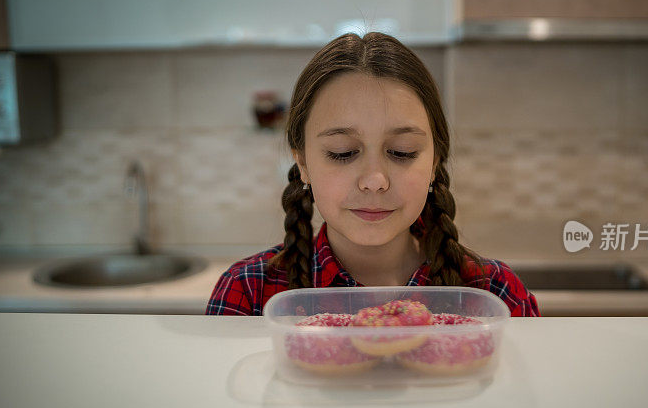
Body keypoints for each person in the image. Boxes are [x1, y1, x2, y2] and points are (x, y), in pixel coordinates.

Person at [206, 32, 540, 317]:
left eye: (402, 152)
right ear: (303, 162)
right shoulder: (248, 292)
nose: (375, 180)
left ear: (435, 162)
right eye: (343, 153)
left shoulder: (495, 293)